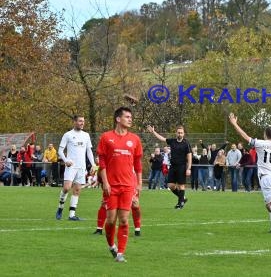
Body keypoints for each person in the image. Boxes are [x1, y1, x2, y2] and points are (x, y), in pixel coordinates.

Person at [98, 107, 143, 263]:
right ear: (118, 119)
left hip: (128, 185)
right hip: (111, 185)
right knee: (110, 220)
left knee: (124, 219)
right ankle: (112, 246)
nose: (130, 119)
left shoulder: (135, 139)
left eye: (131, 117)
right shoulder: (106, 137)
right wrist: (105, 182)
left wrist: (139, 183)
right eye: (127, 117)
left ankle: (120, 253)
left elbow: (138, 163)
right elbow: (102, 162)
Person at [55, 115, 95, 220]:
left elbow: (89, 151)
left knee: (77, 190)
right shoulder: (68, 135)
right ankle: (60, 207)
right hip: (71, 166)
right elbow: (60, 151)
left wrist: (93, 164)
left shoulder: (86, 135)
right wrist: (66, 160)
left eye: (83, 121)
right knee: (66, 188)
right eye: (80, 121)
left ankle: (72, 215)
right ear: (74, 122)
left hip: (81, 167)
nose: (82, 123)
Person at [147, 125, 192, 209]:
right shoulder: (172, 141)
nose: (180, 134)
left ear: (183, 134)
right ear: (176, 133)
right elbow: (162, 138)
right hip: (173, 166)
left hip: (181, 167)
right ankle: (183, 198)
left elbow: (189, 156)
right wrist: (153, 132)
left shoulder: (186, 143)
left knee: (181, 185)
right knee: (170, 185)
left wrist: (188, 168)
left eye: (181, 133)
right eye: (178, 132)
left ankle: (180, 203)